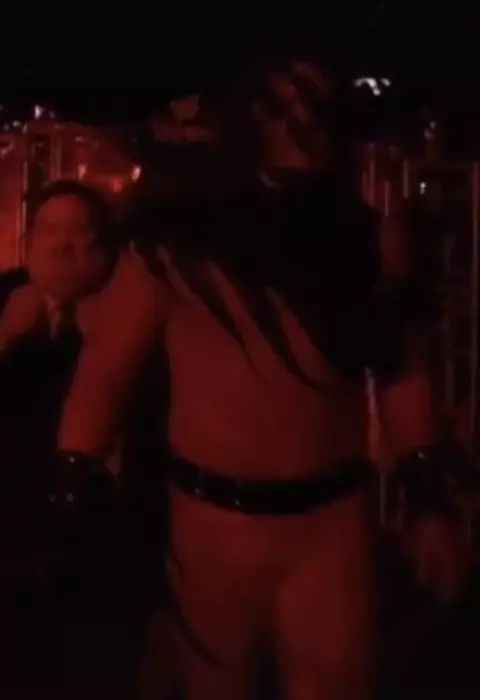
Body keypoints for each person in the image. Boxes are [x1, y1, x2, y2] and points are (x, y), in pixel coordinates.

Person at [55, 56, 468, 700]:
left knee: (334, 683)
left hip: (330, 525)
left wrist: (425, 496)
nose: (298, 126)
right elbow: (108, 366)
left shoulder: (366, 245)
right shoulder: (177, 246)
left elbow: (400, 371)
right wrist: (73, 471)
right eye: (279, 109)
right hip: (211, 528)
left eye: (314, 110)